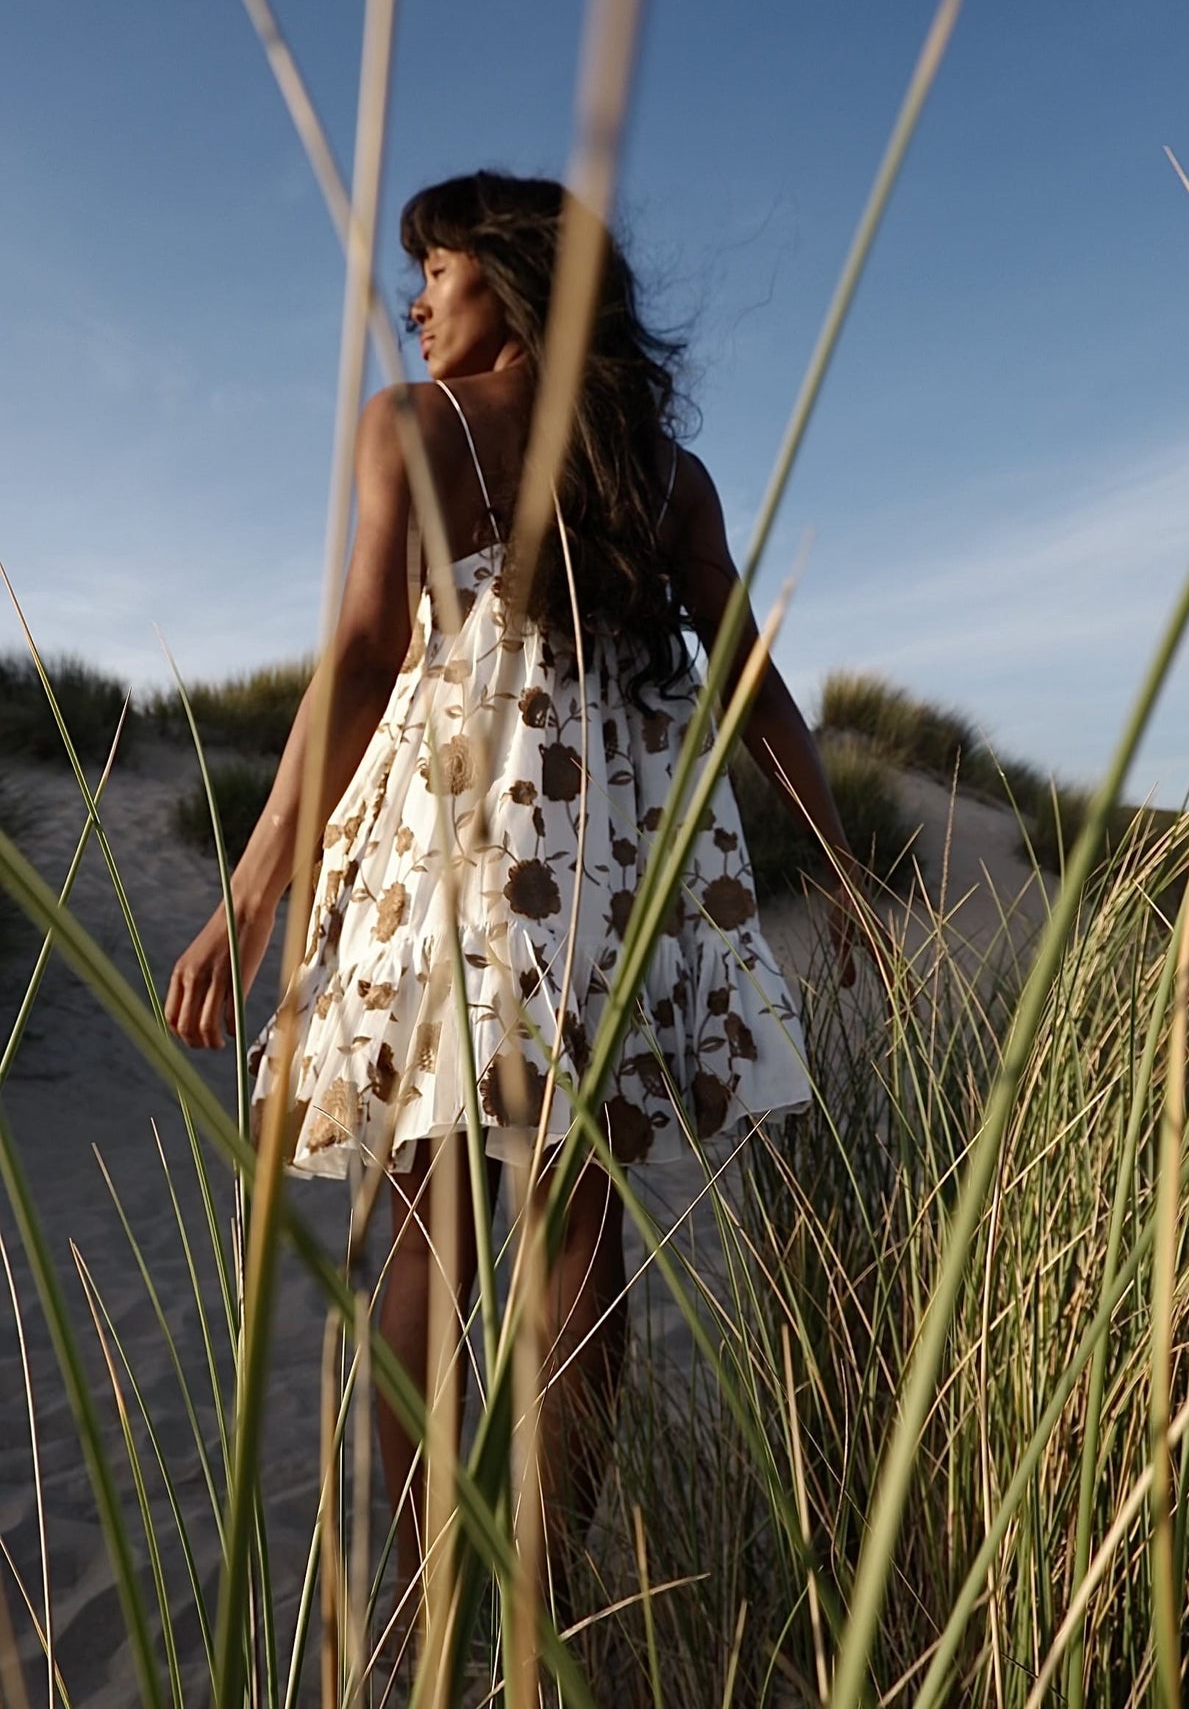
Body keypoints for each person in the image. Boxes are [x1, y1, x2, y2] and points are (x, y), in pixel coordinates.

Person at [165, 169, 861, 1661]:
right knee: (576, 1209)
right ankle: (542, 1614)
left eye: (442, 268)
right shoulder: (665, 479)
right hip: (603, 868)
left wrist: (253, 892)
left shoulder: (415, 430)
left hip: (458, 848)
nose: (415, 299)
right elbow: (749, 684)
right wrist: (839, 860)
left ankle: (432, 1614)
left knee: (433, 1222)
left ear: (521, 281)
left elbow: (356, 662)